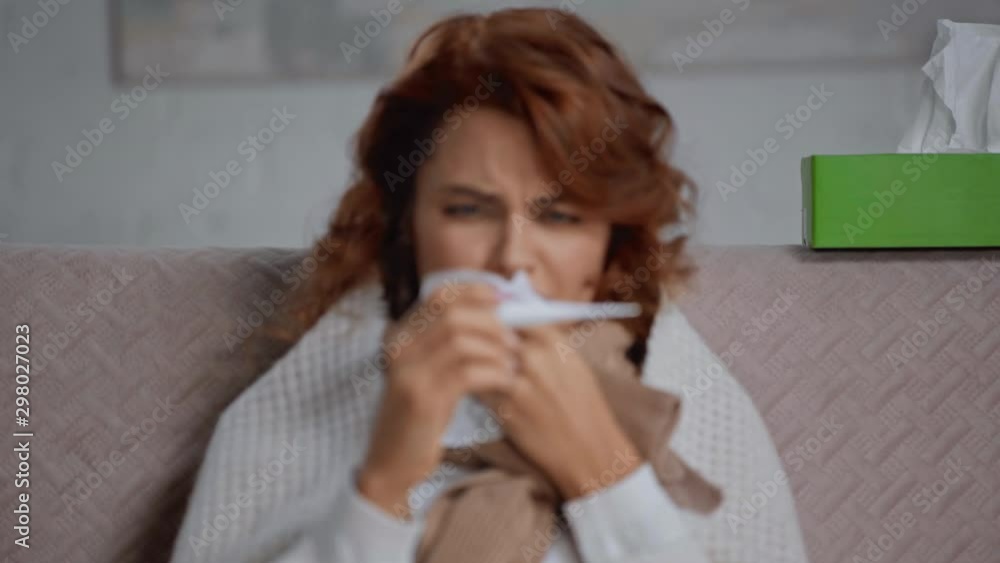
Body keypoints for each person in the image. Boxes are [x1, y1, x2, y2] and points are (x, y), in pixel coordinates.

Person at [170, 8, 810, 563]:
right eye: (468, 210)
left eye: (561, 217)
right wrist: (383, 481)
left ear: (611, 241)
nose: (513, 259)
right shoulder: (300, 406)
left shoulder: (693, 401)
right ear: (408, 225)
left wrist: (601, 471)